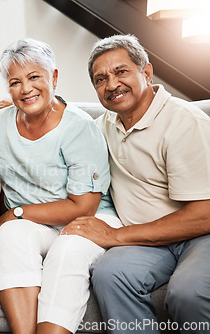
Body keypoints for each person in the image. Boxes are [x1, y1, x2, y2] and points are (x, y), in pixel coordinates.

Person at [62, 34, 210, 333]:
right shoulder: (101, 126)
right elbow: (61, 128)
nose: (111, 84)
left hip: (201, 235)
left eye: (121, 72)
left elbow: (204, 214)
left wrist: (116, 236)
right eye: (100, 79)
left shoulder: (186, 122)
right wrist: (17, 112)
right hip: (148, 243)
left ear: (146, 72)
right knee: (108, 273)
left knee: (187, 292)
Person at [0, 38, 123, 334]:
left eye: (35, 77)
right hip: (37, 223)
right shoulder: (2, 120)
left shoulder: (79, 127)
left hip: (87, 216)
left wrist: (18, 212)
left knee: (66, 251)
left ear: (54, 77)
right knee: (10, 234)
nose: (26, 89)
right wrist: (7, 217)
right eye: (15, 82)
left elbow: (84, 206)